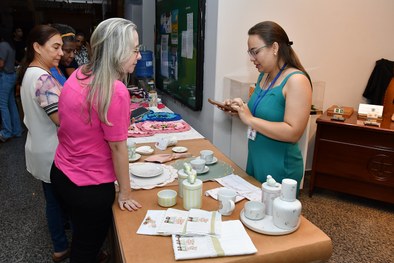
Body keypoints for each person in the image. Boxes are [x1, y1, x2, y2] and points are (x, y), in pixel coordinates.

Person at [50, 18, 142, 262]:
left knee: (82, 238)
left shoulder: (80, 73)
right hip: (88, 186)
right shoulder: (115, 90)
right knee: (85, 250)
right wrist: (125, 193)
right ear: (117, 51)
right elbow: (118, 147)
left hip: (62, 172)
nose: (139, 56)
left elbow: (87, 124)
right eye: (135, 50)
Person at [222, 21, 312, 192]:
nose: (251, 58)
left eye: (255, 52)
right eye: (250, 53)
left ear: (275, 48)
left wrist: (249, 119)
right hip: (257, 158)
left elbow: (293, 132)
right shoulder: (263, 77)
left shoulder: (297, 80)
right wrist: (240, 109)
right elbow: (262, 114)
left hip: (279, 166)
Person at [19, 25, 70, 262]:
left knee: (53, 200)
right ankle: (62, 246)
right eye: (56, 47)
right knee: (59, 201)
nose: (61, 53)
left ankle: (60, 244)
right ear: (37, 47)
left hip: (39, 147)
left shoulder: (30, 73)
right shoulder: (43, 79)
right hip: (53, 151)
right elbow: (61, 119)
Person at [0, 32, 23, 142]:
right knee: (11, 104)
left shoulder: (3, 45)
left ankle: (6, 132)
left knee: (2, 105)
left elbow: (1, 64)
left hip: (6, 76)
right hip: (12, 75)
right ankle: (17, 130)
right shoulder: (9, 45)